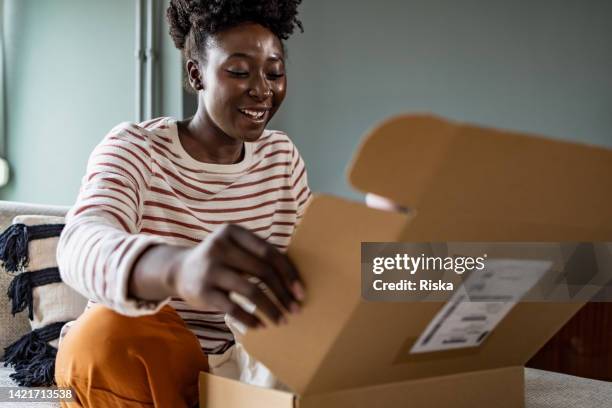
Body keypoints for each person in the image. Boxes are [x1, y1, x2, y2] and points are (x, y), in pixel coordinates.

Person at [54, 1, 309, 407]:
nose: (262, 89)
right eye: (240, 71)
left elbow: (316, 267)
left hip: (248, 370)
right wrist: (179, 269)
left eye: (274, 72)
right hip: (151, 372)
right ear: (196, 74)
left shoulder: (283, 158)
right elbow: (79, 242)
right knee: (105, 334)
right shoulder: (135, 148)